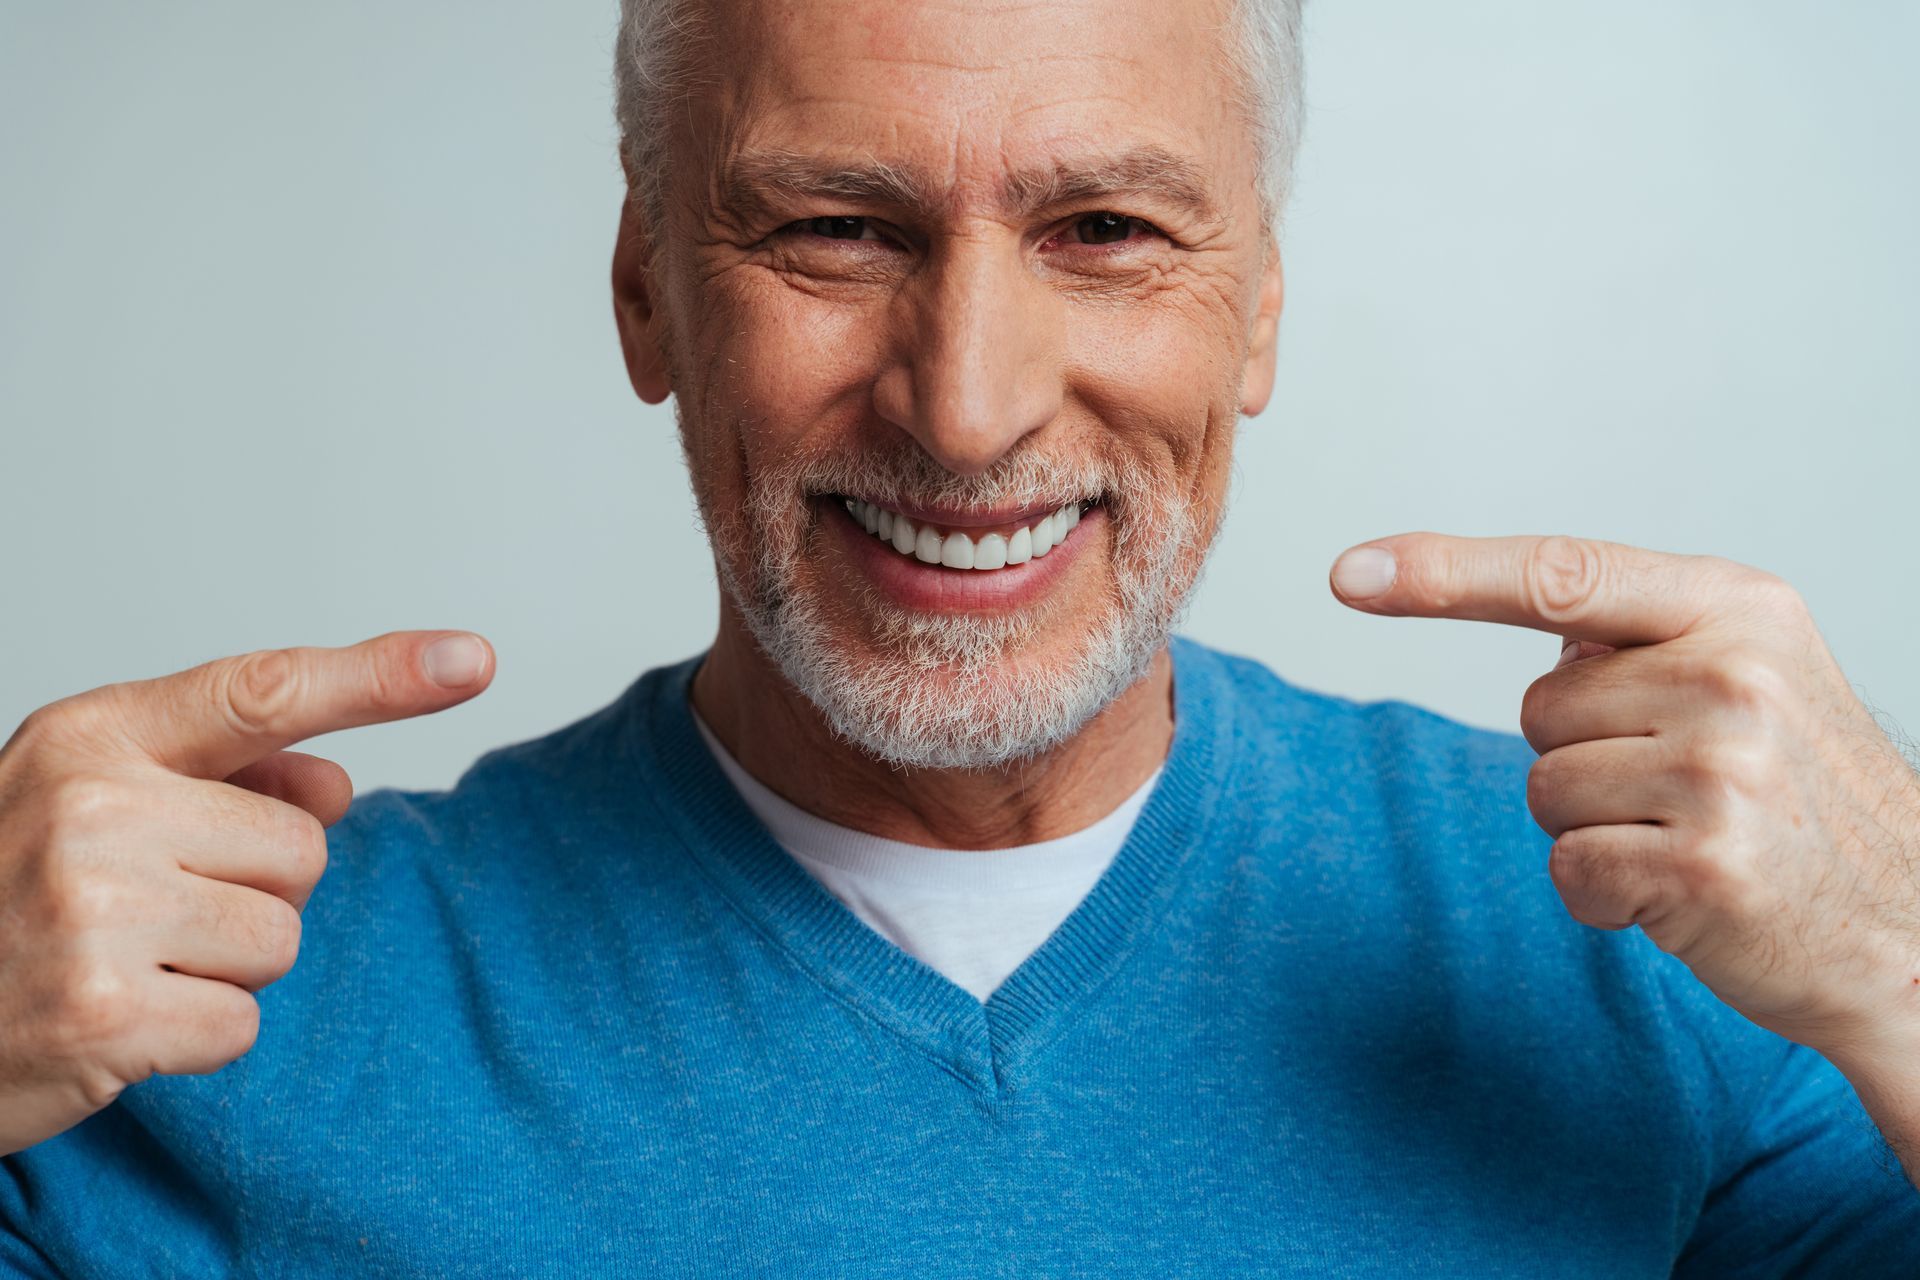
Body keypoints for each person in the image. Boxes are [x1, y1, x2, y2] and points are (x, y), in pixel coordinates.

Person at [3, 0, 1917, 1272]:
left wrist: (1910, 971)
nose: (971, 406)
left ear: (1254, 311)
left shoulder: (1645, 946)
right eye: (838, 228)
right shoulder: (212, 1010)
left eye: (1102, 230)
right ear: (647, 294)